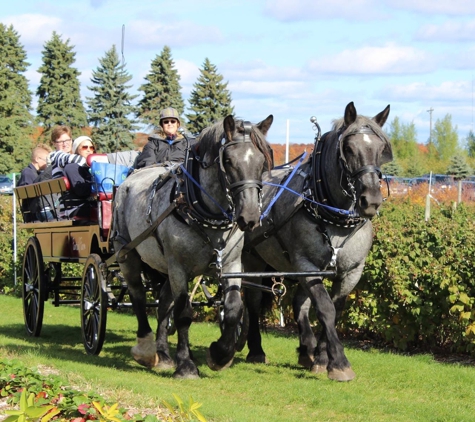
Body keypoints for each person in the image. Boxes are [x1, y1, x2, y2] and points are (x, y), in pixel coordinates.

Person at [60, 136, 96, 218]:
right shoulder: (72, 167)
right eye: (84, 147)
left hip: (86, 205)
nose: (89, 150)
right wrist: (98, 185)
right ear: (76, 149)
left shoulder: (91, 168)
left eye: (91, 147)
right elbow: (81, 190)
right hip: (74, 208)